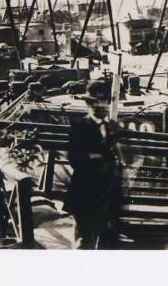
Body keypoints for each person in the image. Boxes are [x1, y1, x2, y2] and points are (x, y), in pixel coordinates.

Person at [64, 80, 122, 249]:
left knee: (107, 236)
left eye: (101, 102)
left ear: (107, 103)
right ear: (88, 105)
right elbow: (73, 157)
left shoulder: (111, 127)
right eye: (93, 102)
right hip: (85, 187)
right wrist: (95, 158)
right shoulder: (79, 126)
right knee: (84, 237)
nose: (97, 106)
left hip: (107, 189)